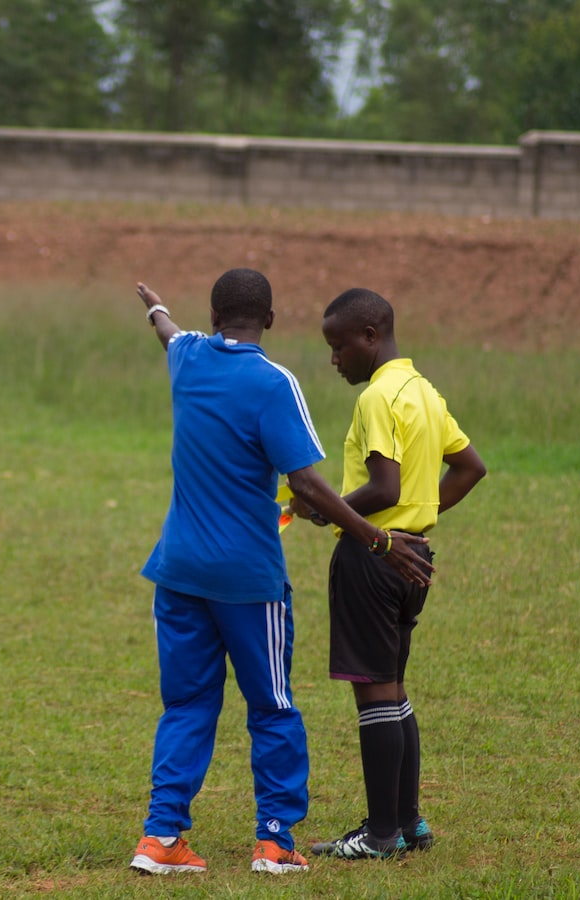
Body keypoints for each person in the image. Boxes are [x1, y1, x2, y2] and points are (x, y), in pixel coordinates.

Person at [128, 269, 434, 877]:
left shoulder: (188, 357)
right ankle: (274, 841)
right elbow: (306, 482)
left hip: (179, 568)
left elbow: (168, 333)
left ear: (214, 318)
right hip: (248, 579)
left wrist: (156, 308)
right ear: (269, 320)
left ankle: (161, 837)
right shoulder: (275, 382)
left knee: (186, 703)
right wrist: (377, 539)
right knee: (270, 704)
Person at [291, 287, 487, 860]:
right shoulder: (424, 391)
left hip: (373, 556)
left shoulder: (378, 397)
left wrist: (325, 508)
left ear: (370, 337)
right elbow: (470, 467)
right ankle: (408, 823)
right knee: (394, 691)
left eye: (338, 346)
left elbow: (384, 488)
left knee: (374, 692)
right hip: (413, 555)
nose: (333, 360)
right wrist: (417, 522)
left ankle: (379, 837)